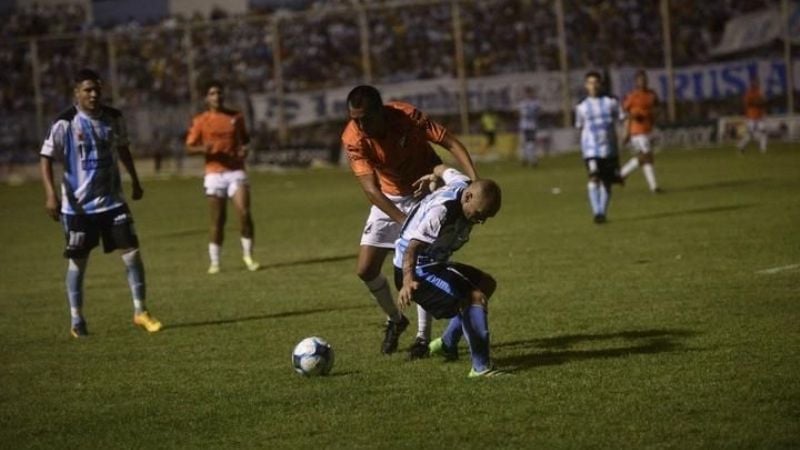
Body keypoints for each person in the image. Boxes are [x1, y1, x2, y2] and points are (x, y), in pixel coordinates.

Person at [341, 85, 479, 359]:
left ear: (381, 111)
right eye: (354, 118)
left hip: (426, 189)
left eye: (364, 117)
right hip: (388, 199)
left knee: (421, 264)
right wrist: (405, 221)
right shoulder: (353, 137)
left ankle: (421, 338)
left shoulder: (407, 116)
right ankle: (396, 318)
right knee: (365, 269)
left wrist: (474, 182)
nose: (359, 124)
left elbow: (449, 142)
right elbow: (371, 190)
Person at [39, 68, 163, 338]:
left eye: (97, 90)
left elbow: (122, 148)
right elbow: (46, 157)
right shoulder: (65, 123)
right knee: (79, 264)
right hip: (79, 209)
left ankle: (140, 311)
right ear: (77, 92)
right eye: (87, 90)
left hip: (112, 202)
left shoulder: (114, 118)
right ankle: (76, 320)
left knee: (132, 253)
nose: (93, 95)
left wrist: (135, 180)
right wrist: (50, 194)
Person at [394, 164, 504, 377]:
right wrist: (408, 281)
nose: (480, 221)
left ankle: (446, 344)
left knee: (486, 284)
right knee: (474, 298)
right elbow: (412, 247)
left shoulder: (461, 182)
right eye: (480, 214)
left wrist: (431, 176)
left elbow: (440, 167)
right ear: (468, 197)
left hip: (432, 263)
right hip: (415, 270)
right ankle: (481, 368)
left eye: (486, 218)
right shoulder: (441, 211)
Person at [186, 80, 260, 274]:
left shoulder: (235, 117)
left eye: (219, 93)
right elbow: (189, 146)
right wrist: (204, 148)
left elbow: (245, 140)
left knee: (244, 213)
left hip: (236, 171)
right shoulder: (201, 120)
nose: (216, 96)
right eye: (212, 93)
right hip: (214, 173)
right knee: (218, 220)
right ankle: (215, 261)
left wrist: (245, 150)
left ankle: (248, 256)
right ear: (206, 98)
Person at [575, 71, 625, 224]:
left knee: (607, 182)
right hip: (591, 149)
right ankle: (596, 212)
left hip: (609, 149)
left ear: (601, 84)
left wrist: (624, 136)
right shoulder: (582, 106)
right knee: (594, 176)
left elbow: (622, 118)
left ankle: (602, 212)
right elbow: (579, 126)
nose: (593, 86)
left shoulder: (611, 102)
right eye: (590, 83)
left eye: (596, 82)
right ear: (586, 86)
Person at [620, 70, 662, 193]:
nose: (642, 82)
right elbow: (623, 112)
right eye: (640, 80)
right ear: (636, 82)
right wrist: (626, 129)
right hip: (636, 131)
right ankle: (654, 187)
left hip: (648, 129)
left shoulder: (651, 95)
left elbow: (658, 108)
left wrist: (654, 115)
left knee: (645, 158)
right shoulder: (632, 96)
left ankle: (621, 175)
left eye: (644, 79)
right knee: (646, 156)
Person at [736, 77, 768, 153]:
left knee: (763, 132)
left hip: (760, 117)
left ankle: (763, 149)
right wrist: (758, 102)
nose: (756, 84)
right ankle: (741, 146)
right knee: (750, 135)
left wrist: (760, 103)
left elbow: (763, 102)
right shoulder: (749, 93)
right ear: (751, 84)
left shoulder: (760, 92)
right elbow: (747, 104)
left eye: (757, 82)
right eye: (754, 82)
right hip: (751, 117)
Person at [517, 86, 541, 167]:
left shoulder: (524, 103)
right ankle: (531, 160)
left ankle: (527, 159)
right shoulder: (534, 103)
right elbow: (535, 113)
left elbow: (524, 113)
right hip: (527, 126)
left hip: (529, 125)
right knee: (529, 143)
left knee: (528, 143)